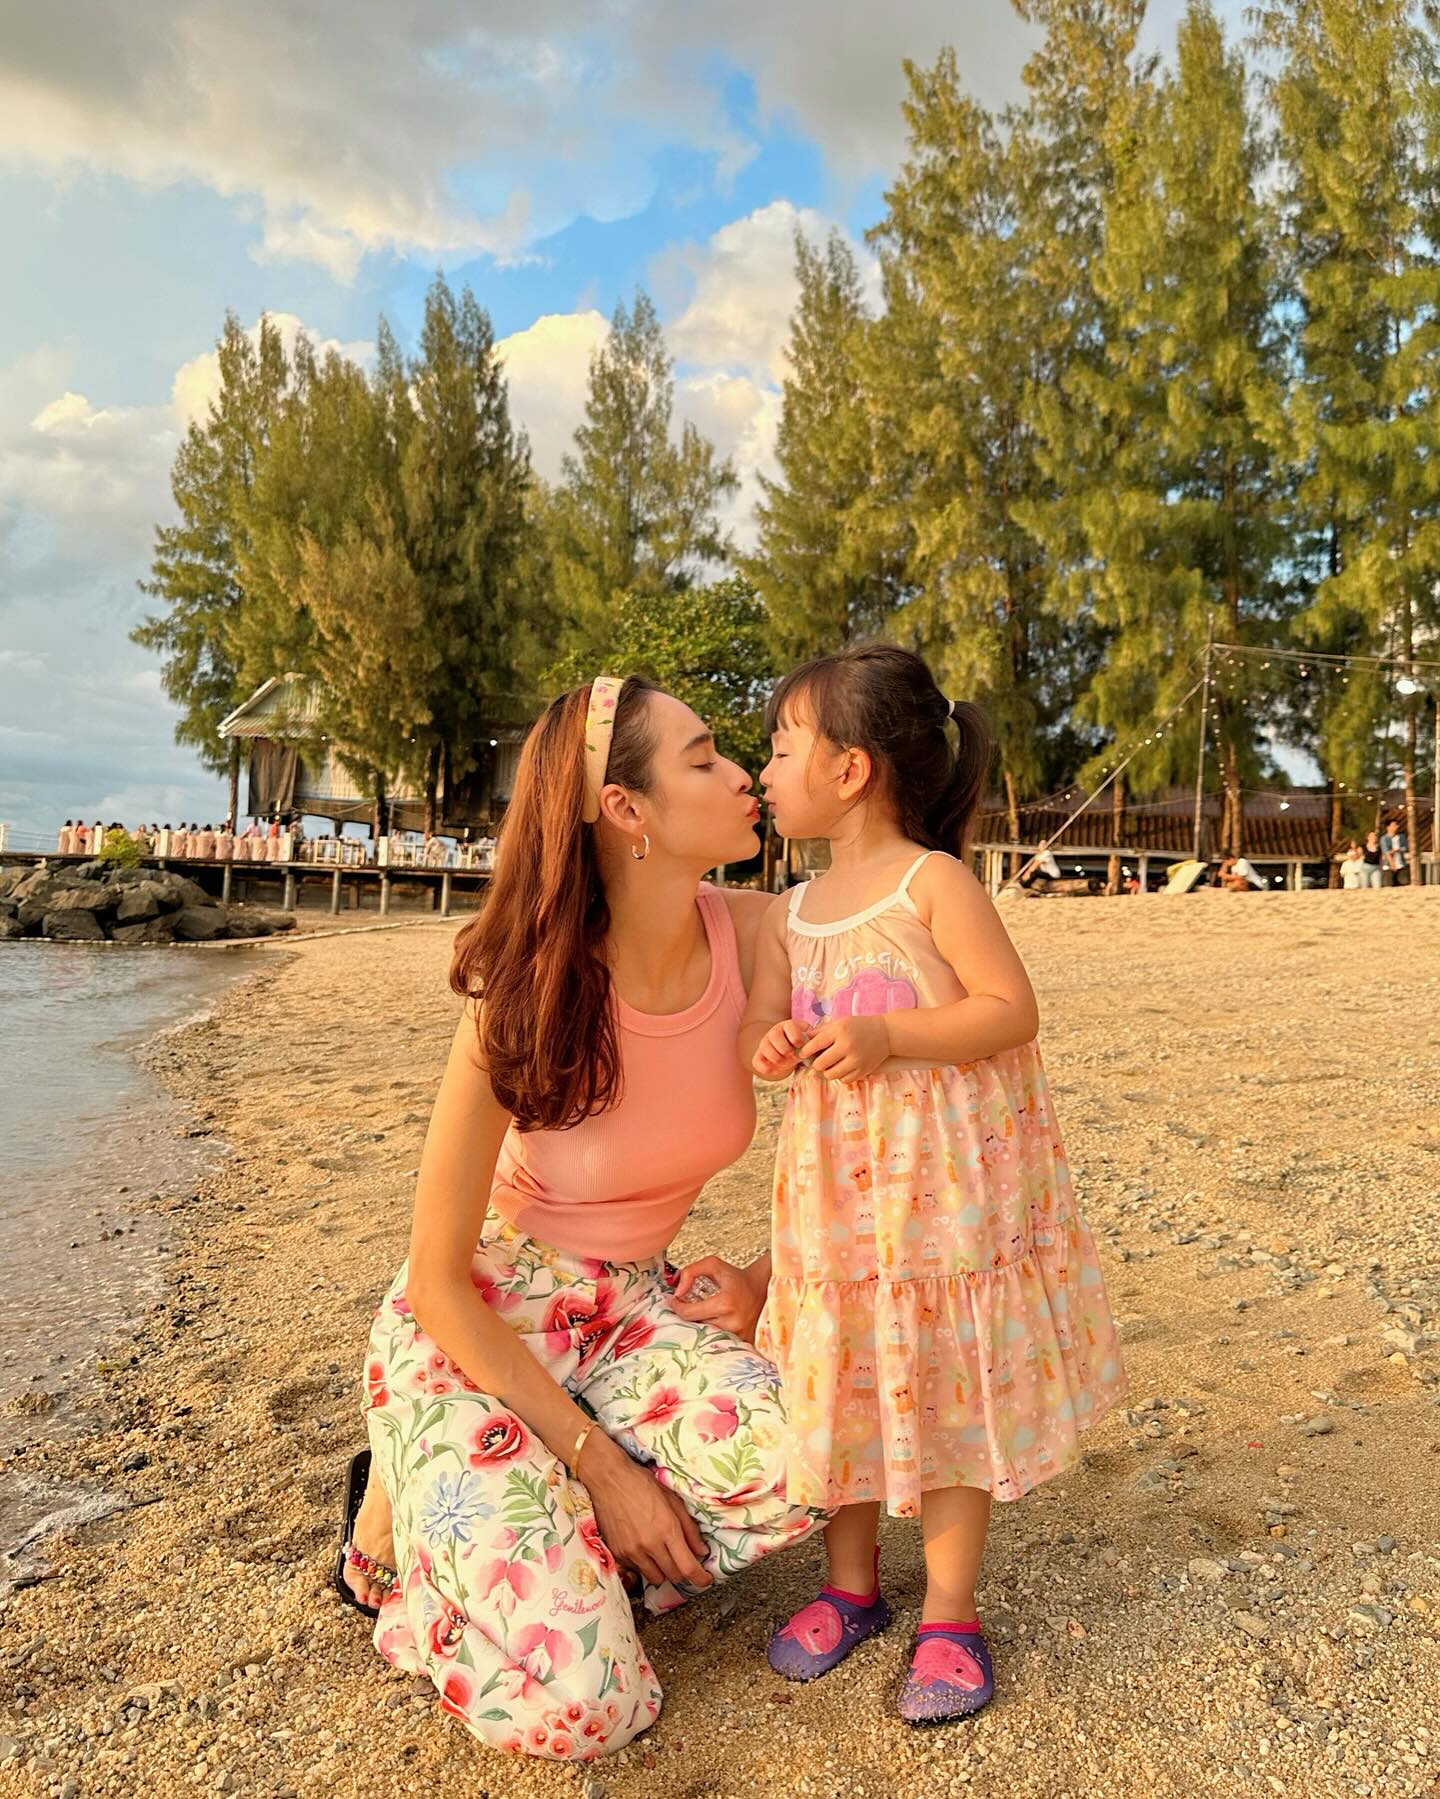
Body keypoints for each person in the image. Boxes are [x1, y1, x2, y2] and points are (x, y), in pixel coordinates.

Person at [337, 676, 825, 1762]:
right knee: (591, 1705)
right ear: (626, 807)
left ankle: (535, 1523)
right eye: (704, 758)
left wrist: (763, 1271)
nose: (742, 774)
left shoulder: (767, 936)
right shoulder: (525, 988)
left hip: (636, 1311)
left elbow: (884, 1127)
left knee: (817, 1455)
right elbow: (436, 1277)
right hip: (482, 1328)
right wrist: (607, 1470)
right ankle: (399, 1519)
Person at [739, 645, 1126, 1725]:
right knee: (847, 1369)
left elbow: (1009, 1007)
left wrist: (889, 1033)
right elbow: (759, 1020)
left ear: (851, 768)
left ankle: (951, 1610)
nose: (764, 770)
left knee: (948, 1374)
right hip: (835, 1197)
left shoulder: (934, 882)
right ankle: (849, 1586)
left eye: (782, 748)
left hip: (940, 1194)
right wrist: (769, 1043)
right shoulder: (788, 909)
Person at [1381, 819, 1409, 887]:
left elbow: (1405, 848)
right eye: (1394, 825)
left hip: (1401, 865)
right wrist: (1392, 864)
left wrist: (1397, 850)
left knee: (1404, 884)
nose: (1396, 827)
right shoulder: (1384, 838)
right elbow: (1386, 852)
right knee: (1388, 885)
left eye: (1397, 825)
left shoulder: (1401, 837)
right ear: (1388, 827)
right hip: (1388, 866)